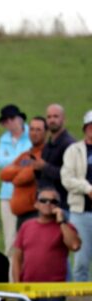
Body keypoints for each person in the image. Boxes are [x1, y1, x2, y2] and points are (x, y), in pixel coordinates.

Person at [61, 110, 92, 282]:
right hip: (80, 212)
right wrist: (87, 189)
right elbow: (67, 178)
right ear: (85, 128)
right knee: (81, 261)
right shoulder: (74, 150)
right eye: (90, 126)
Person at [0, 104, 31, 248]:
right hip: (8, 193)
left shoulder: (31, 134)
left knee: (28, 237)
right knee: (10, 239)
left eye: (12, 118)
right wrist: (19, 161)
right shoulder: (4, 140)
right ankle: (11, 270)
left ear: (20, 118)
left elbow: (32, 159)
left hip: (28, 192)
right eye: (6, 120)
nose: (10, 122)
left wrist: (12, 164)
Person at [0, 116, 47, 226]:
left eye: (38, 130)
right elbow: (4, 174)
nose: (34, 133)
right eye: (31, 129)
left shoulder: (45, 154)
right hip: (21, 215)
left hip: (35, 212)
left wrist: (17, 172)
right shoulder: (25, 155)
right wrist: (24, 168)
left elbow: (21, 179)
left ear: (46, 132)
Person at [36, 104, 75, 207]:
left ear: (64, 119)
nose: (52, 120)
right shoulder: (48, 143)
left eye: (55, 116)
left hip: (62, 203)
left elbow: (70, 175)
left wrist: (44, 166)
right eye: (49, 117)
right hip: (46, 202)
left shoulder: (69, 144)